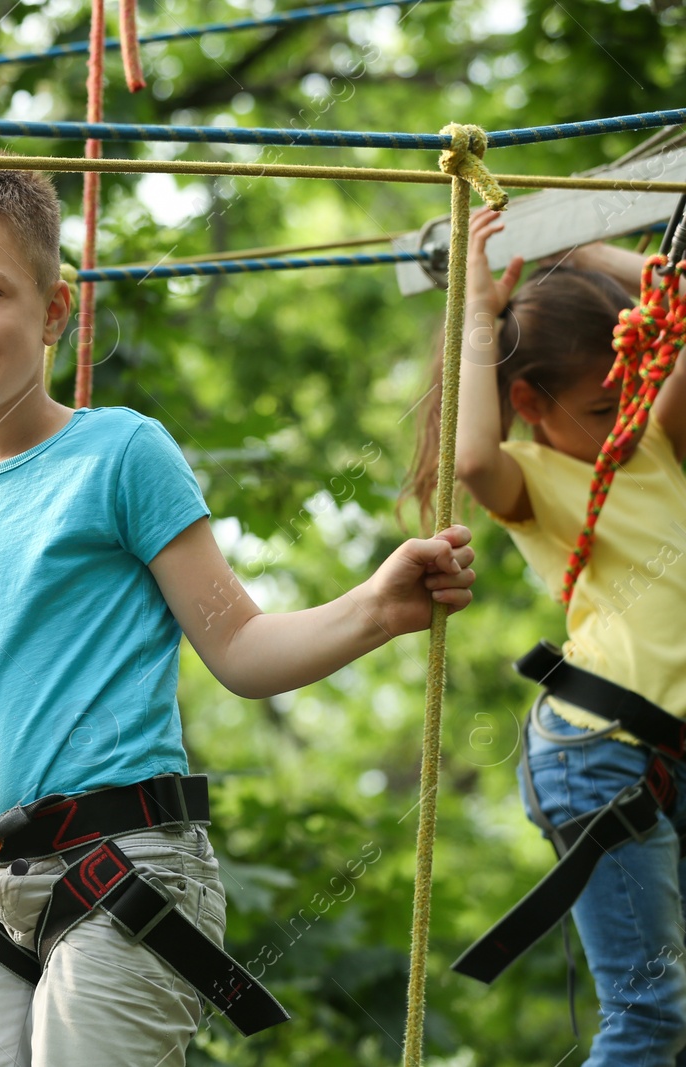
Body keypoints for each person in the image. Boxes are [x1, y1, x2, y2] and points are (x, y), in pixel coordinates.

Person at [0, 150, 477, 1067]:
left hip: (124, 863)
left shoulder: (119, 454)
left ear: (54, 309)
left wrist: (375, 608)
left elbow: (238, 646)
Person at [405, 207, 686, 1065]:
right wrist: (481, 317)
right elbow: (471, 460)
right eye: (602, 406)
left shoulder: (655, 445)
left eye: (629, 393)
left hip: (662, 751)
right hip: (598, 750)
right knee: (649, 1014)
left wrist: (584, 245)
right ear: (529, 399)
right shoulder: (538, 479)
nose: (621, 420)